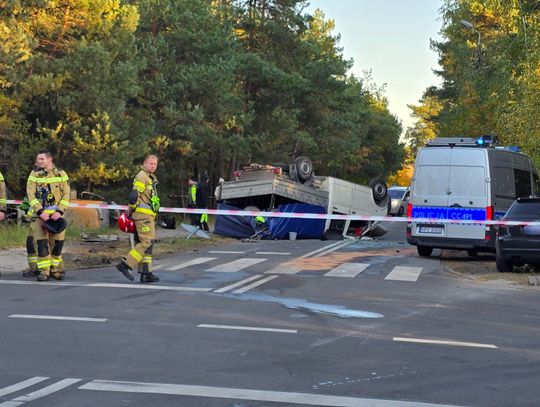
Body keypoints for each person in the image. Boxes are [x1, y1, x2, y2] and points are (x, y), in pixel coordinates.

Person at [26, 150, 70, 281]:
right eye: (38, 159)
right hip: (40, 217)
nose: (38, 161)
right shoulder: (34, 175)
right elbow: (30, 195)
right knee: (42, 245)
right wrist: (40, 211)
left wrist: (59, 211)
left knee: (57, 245)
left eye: (41, 159)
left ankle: (55, 270)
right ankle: (44, 272)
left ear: (49, 159)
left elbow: (66, 195)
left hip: (57, 218)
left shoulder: (61, 174)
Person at [116, 155, 160, 283]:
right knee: (146, 242)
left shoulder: (150, 178)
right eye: (150, 163)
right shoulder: (142, 176)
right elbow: (134, 195)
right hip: (142, 216)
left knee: (148, 244)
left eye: (155, 164)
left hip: (148, 215)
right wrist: (131, 209)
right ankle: (126, 264)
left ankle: (146, 273)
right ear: (144, 164)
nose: (153, 166)